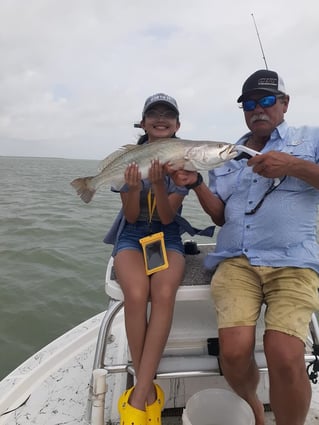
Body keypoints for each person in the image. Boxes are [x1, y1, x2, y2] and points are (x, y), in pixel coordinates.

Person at [172, 69, 319, 425]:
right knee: (234, 353)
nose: (258, 109)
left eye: (267, 100)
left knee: (284, 355)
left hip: (293, 261)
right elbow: (221, 216)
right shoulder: (226, 156)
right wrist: (196, 185)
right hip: (236, 261)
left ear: (284, 104)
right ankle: (255, 407)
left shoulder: (309, 139)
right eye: (249, 103)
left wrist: (294, 165)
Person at [112, 93, 188, 425]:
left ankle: (140, 394)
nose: (160, 118)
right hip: (132, 235)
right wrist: (131, 189)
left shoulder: (182, 160)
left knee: (163, 293)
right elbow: (129, 216)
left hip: (166, 236)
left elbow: (170, 218)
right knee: (136, 294)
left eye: (167, 114)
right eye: (153, 114)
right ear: (143, 123)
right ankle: (147, 388)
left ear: (177, 125)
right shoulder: (132, 159)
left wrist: (158, 183)